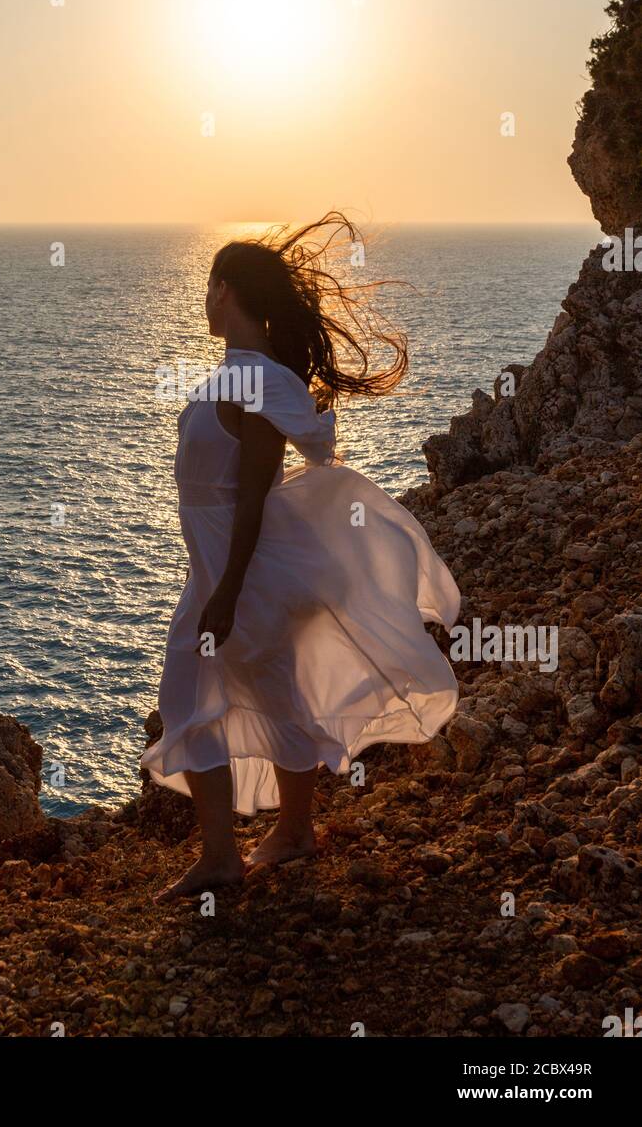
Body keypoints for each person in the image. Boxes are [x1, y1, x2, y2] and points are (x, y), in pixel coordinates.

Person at [142, 214, 460, 902]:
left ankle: (233, 853)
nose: (203, 302)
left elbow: (253, 495)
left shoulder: (255, 382)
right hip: (225, 569)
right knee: (270, 695)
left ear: (225, 291)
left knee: (188, 698)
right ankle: (287, 835)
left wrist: (225, 592)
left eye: (207, 288)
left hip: (243, 573)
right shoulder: (239, 376)